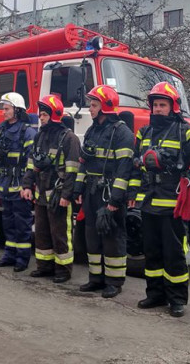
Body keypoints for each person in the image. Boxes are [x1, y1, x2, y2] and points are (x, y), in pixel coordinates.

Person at [129, 82, 190, 317]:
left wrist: (188, 181)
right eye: (155, 105)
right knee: (151, 252)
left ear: (173, 107)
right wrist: (132, 194)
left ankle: (177, 299)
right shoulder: (144, 133)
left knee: (174, 254)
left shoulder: (187, 132)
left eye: (163, 105)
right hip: (149, 203)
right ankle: (155, 294)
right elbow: (134, 165)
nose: (159, 109)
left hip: (173, 205)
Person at [74, 85, 135, 298]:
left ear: (105, 107)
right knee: (91, 235)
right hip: (91, 191)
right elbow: (84, 163)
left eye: (93, 105)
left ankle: (114, 282)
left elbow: (124, 169)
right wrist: (78, 189)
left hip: (109, 192)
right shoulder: (92, 130)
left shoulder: (122, 133)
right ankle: (95, 278)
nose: (89, 109)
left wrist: (115, 200)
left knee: (112, 236)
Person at [21, 95, 81, 283]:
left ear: (54, 114)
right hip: (41, 194)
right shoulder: (40, 136)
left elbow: (73, 170)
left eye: (45, 114)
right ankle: (44, 266)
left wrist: (67, 195)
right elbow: (32, 163)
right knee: (41, 232)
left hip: (58, 195)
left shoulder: (69, 138)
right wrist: (26, 185)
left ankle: (63, 270)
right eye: (41, 114)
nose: (41, 118)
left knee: (60, 233)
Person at [0, 92, 37, 272]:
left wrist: (27, 185)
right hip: (5, 183)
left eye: (6, 109)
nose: (3, 112)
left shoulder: (28, 132)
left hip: (19, 185)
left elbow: (31, 162)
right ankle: (9, 254)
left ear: (17, 110)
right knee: (7, 222)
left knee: (22, 222)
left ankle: (22, 258)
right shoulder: (1, 131)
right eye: (3, 108)